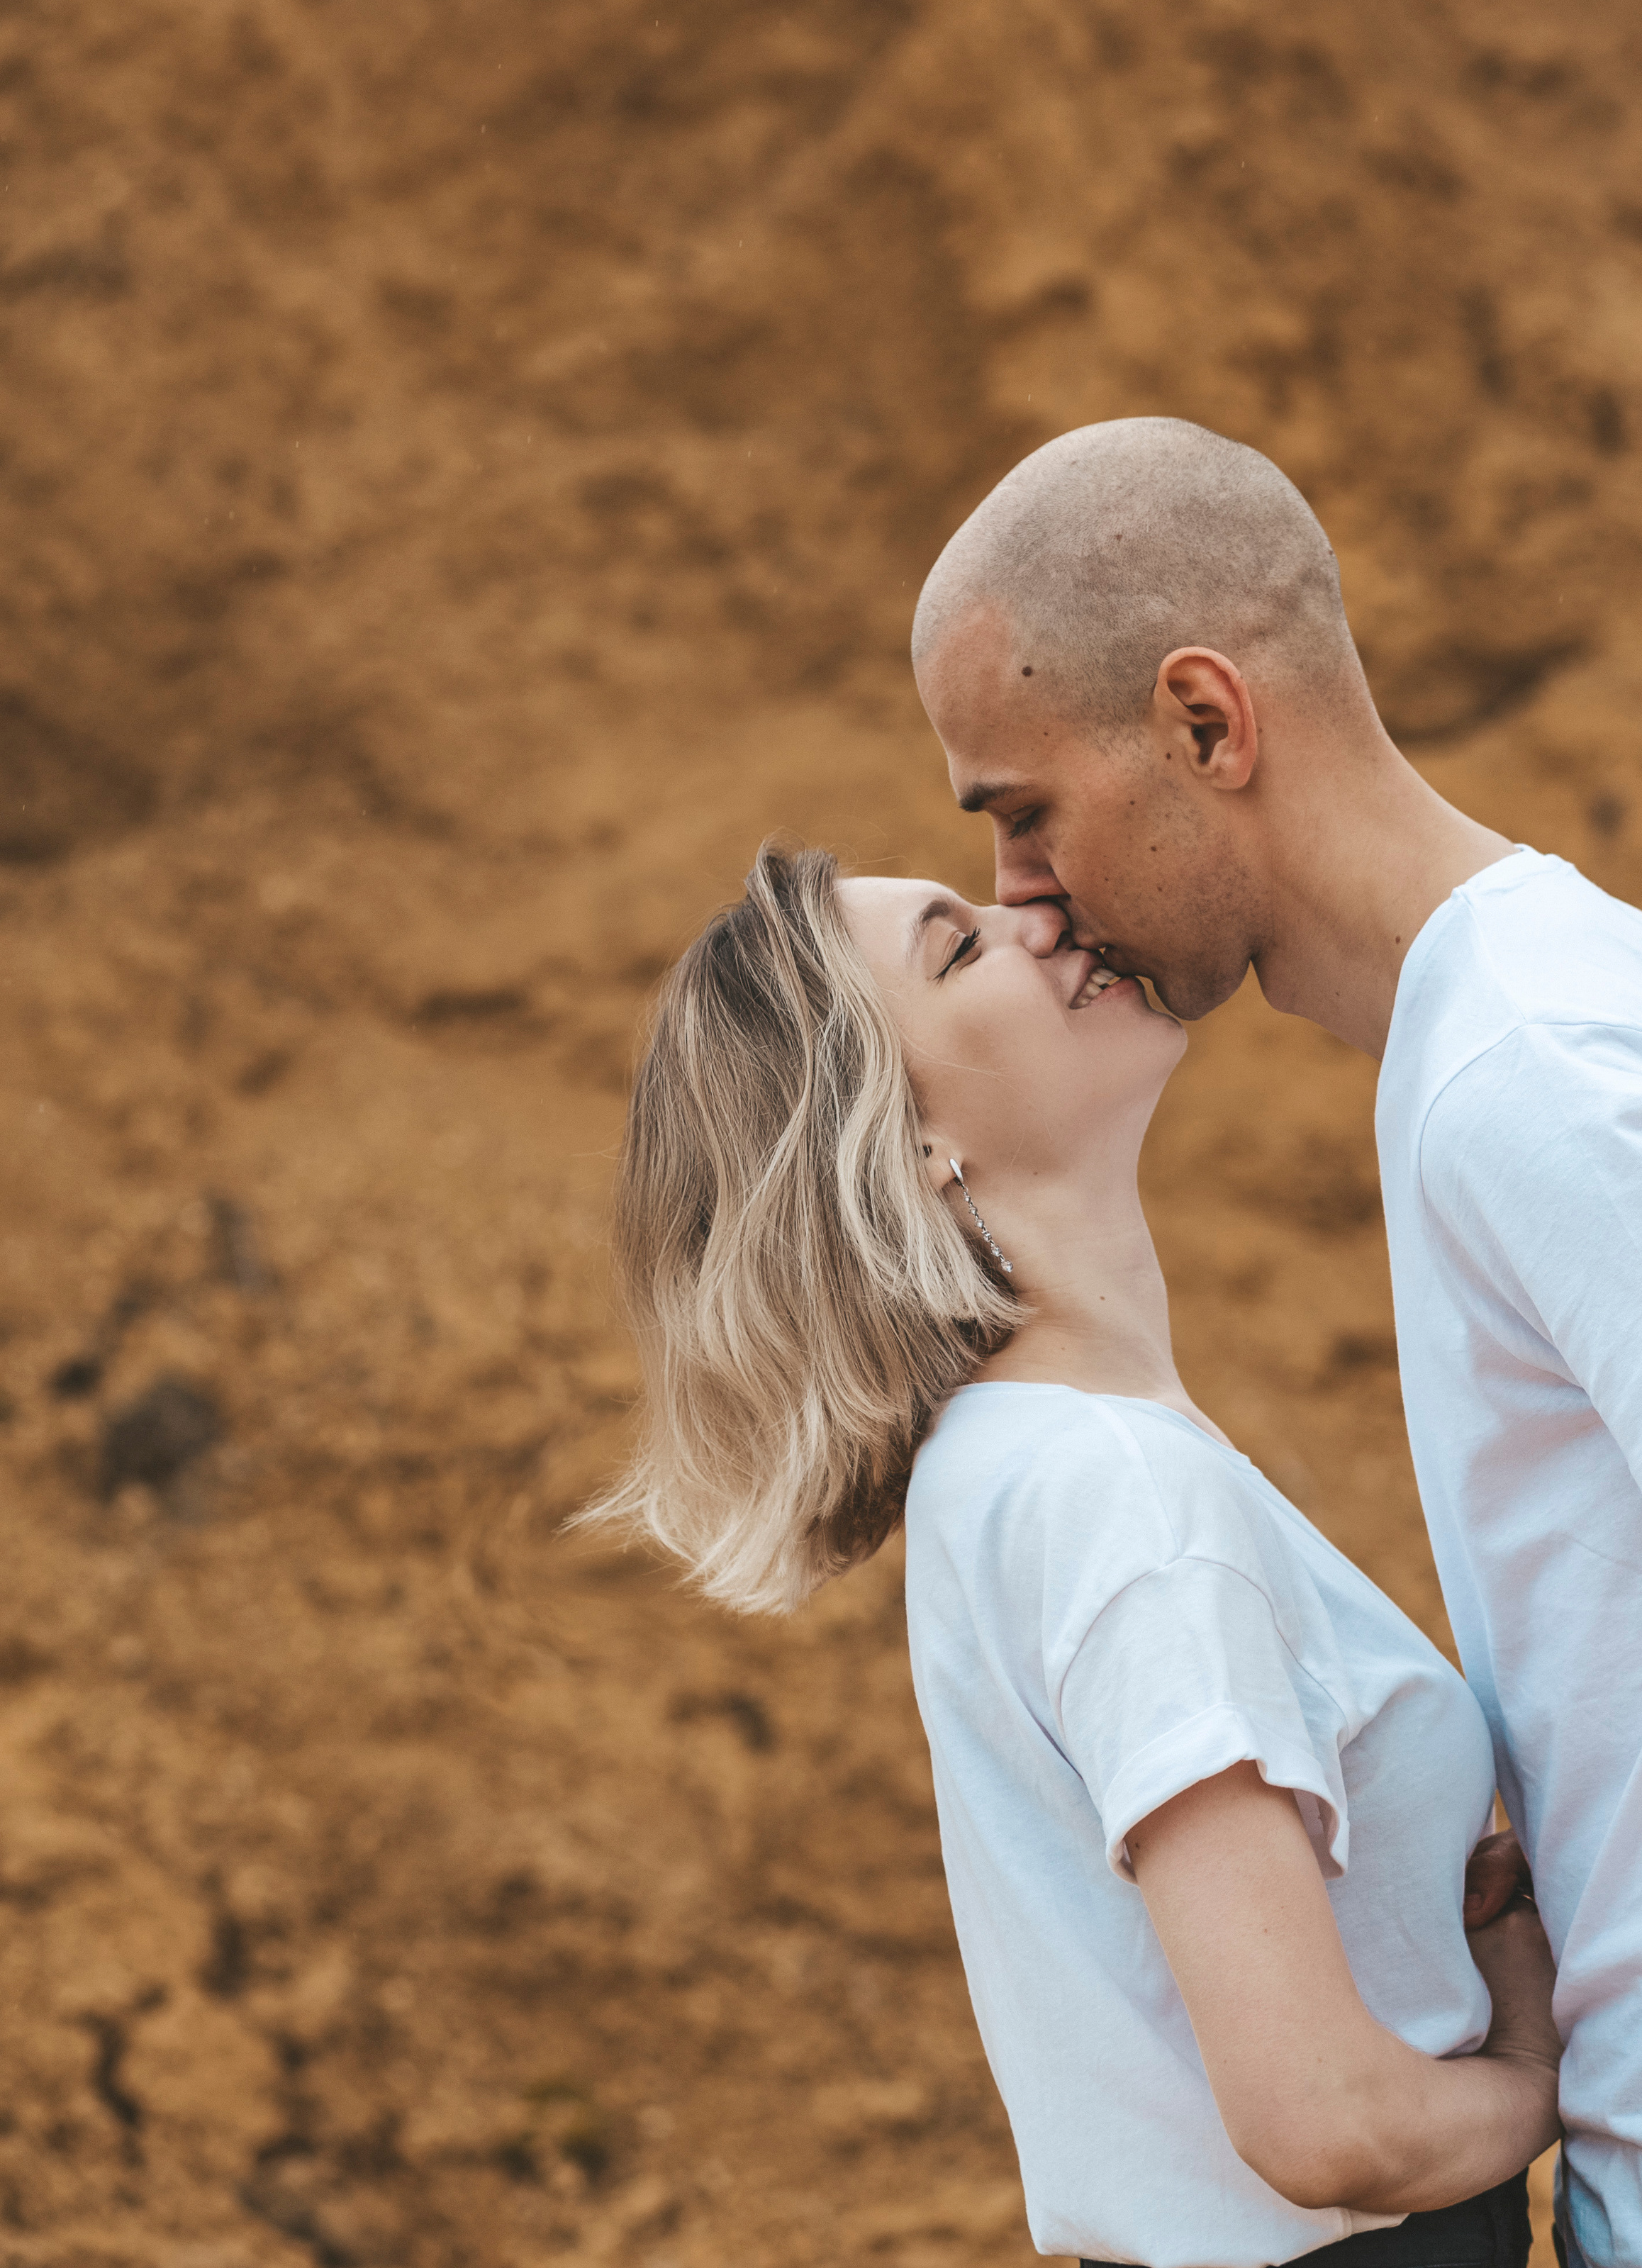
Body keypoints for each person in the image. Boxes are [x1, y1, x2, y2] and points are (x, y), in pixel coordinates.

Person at [909, 417, 1642, 2268]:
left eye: (1022, 808)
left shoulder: (1527, 1070)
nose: (1025, 891)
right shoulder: (1525, 1017)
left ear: (1205, 725)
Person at [593, 842, 1560, 2268]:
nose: (1035, 911)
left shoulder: (1007, 1469)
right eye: (956, 946)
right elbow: (1319, 2121)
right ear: (912, 1148)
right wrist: (1538, 2076)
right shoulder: (1113, 1488)